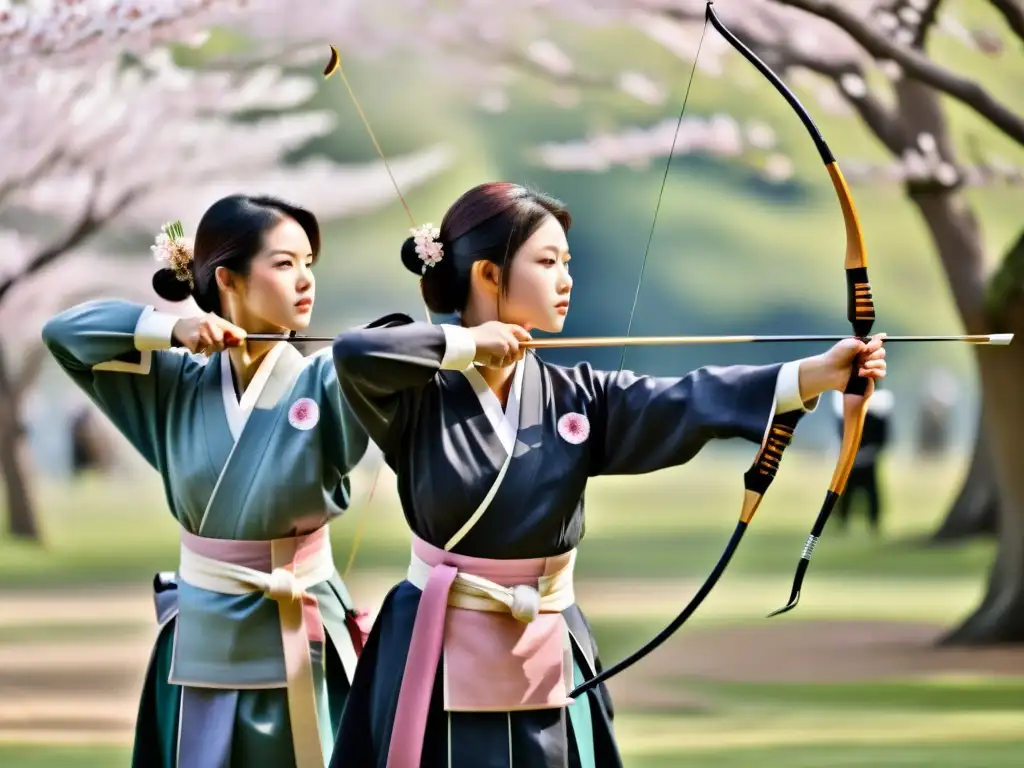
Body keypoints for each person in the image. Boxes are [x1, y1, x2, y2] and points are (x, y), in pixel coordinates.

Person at [327, 181, 887, 768]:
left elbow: (687, 398)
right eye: (547, 263)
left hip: (544, 638)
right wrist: (464, 344)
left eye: (567, 263)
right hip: (434, 644)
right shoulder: (417, 392)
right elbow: (354, 353)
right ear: (488, 275)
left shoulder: (578, 398)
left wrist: (816, 373)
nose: (566, 280)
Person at [41, 194, 373, 768]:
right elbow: (63, 333)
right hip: (203, 634)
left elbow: (394, 355)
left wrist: (464, 343)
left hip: (303, 631)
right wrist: (170, 330)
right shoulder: (173, 382)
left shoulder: (326, 380)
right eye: (285, 263)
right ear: (228, 279)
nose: (305, 281)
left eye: (309, 264)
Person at [832, 385, 893, 534]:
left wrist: (869, 452)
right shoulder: (849, 406)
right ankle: (843, 520)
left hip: (868, 457)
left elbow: (883, 436)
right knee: (849, 492)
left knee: (870, 492)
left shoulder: (879, 407)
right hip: (855, 457)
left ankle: (873, 522)